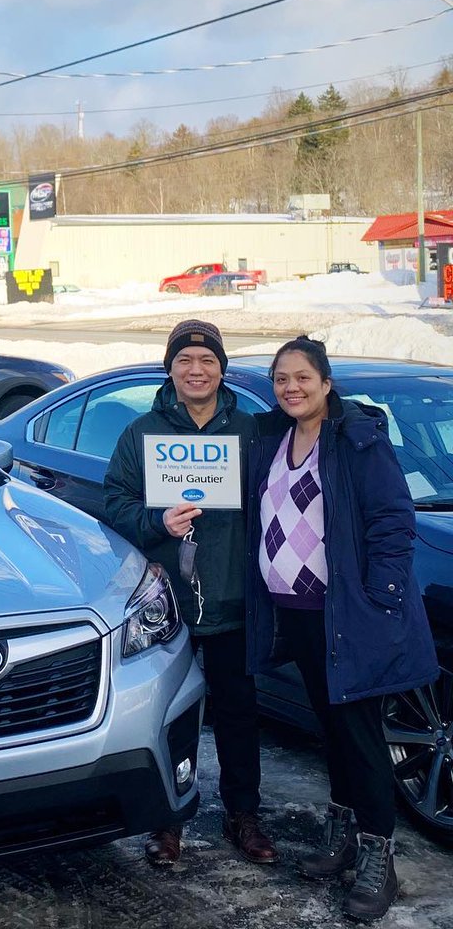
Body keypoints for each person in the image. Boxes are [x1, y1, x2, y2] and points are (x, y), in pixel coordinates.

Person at [246, 336, 438, 922]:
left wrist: (379, 597)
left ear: (326, 384)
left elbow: (393, 521)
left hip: (344, 616)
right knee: (329, 726)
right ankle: (344, 834)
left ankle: (379, 856)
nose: (291, 388)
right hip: (297, 613)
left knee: (359, 733)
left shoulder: (358, 441)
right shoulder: (273, 438)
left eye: (303, 378)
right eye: (282, 379)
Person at [104, 319, 278, 867]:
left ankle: (242, 814)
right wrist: (157, 520)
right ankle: (167, 821)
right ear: (170, 368)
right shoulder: (142, 433)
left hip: (233, 598)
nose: (196, 370)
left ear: (222, 368)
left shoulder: (251, 432)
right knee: (169, 715)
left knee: (238, 714)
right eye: (185, 361)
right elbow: (115, 502)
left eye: (206, 361)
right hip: (167, 609)